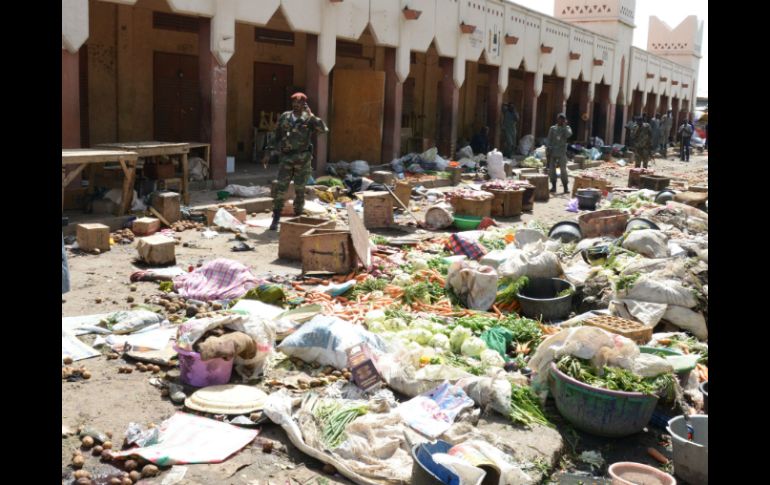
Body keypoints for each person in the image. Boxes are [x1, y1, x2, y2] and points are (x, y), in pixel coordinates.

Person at [269, 92, 329, 231]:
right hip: (286, 158)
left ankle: (298, 215)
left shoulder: (309, 118)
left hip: (303, 159)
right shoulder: (285, 116)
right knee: (280, 187)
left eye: (300, 103)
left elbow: (323, 130)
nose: (296, 106)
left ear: (304, 104)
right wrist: (268, 151)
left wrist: (312, 115)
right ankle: (276, 218)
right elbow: (276, 134)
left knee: (300, 189)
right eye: (294, 103)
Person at [546, 113, 572, 193]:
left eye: (563, 119)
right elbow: (549, 139)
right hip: (553, 152)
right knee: (552, 170)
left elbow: (568, 135)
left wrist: (564, 127)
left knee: (563, 170)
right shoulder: (553, 128)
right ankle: (553, 186)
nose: (561, 121)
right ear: (557, 119)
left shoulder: (567, 128)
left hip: (561, 152)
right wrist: (548, 149)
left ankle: (565, 187)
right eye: (560, 119)